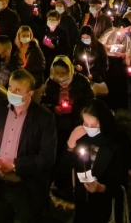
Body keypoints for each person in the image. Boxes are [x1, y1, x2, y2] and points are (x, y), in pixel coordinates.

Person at [0, 69, 57, 223]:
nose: (11, 92)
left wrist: (15, 165)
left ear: (29, 93)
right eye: (10, 87)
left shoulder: (44, 117)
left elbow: (47, 157)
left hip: (26, 188)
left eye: (17, 90)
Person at [66, 100, 131, 223]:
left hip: (106, 206)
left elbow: (121, 181)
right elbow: (67, 166)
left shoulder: (117, 140)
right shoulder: (82, 136)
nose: (89, 128)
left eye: (93, 125)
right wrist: (71, 144)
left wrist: (101, 188)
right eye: (85, 123)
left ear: (104, 122)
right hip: (83, 202)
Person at [40, 55, 94, 200]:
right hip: (56, 127)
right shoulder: (51, 83)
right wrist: (53, 108)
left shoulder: (81, 82)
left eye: (63, 74)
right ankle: (56, 186)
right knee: (57, 157)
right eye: (56, 73)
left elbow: (90, 104)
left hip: (76, 126)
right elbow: (43, 103)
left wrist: (76, 112)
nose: (59, 77)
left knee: (74, 157)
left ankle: (74, 188)